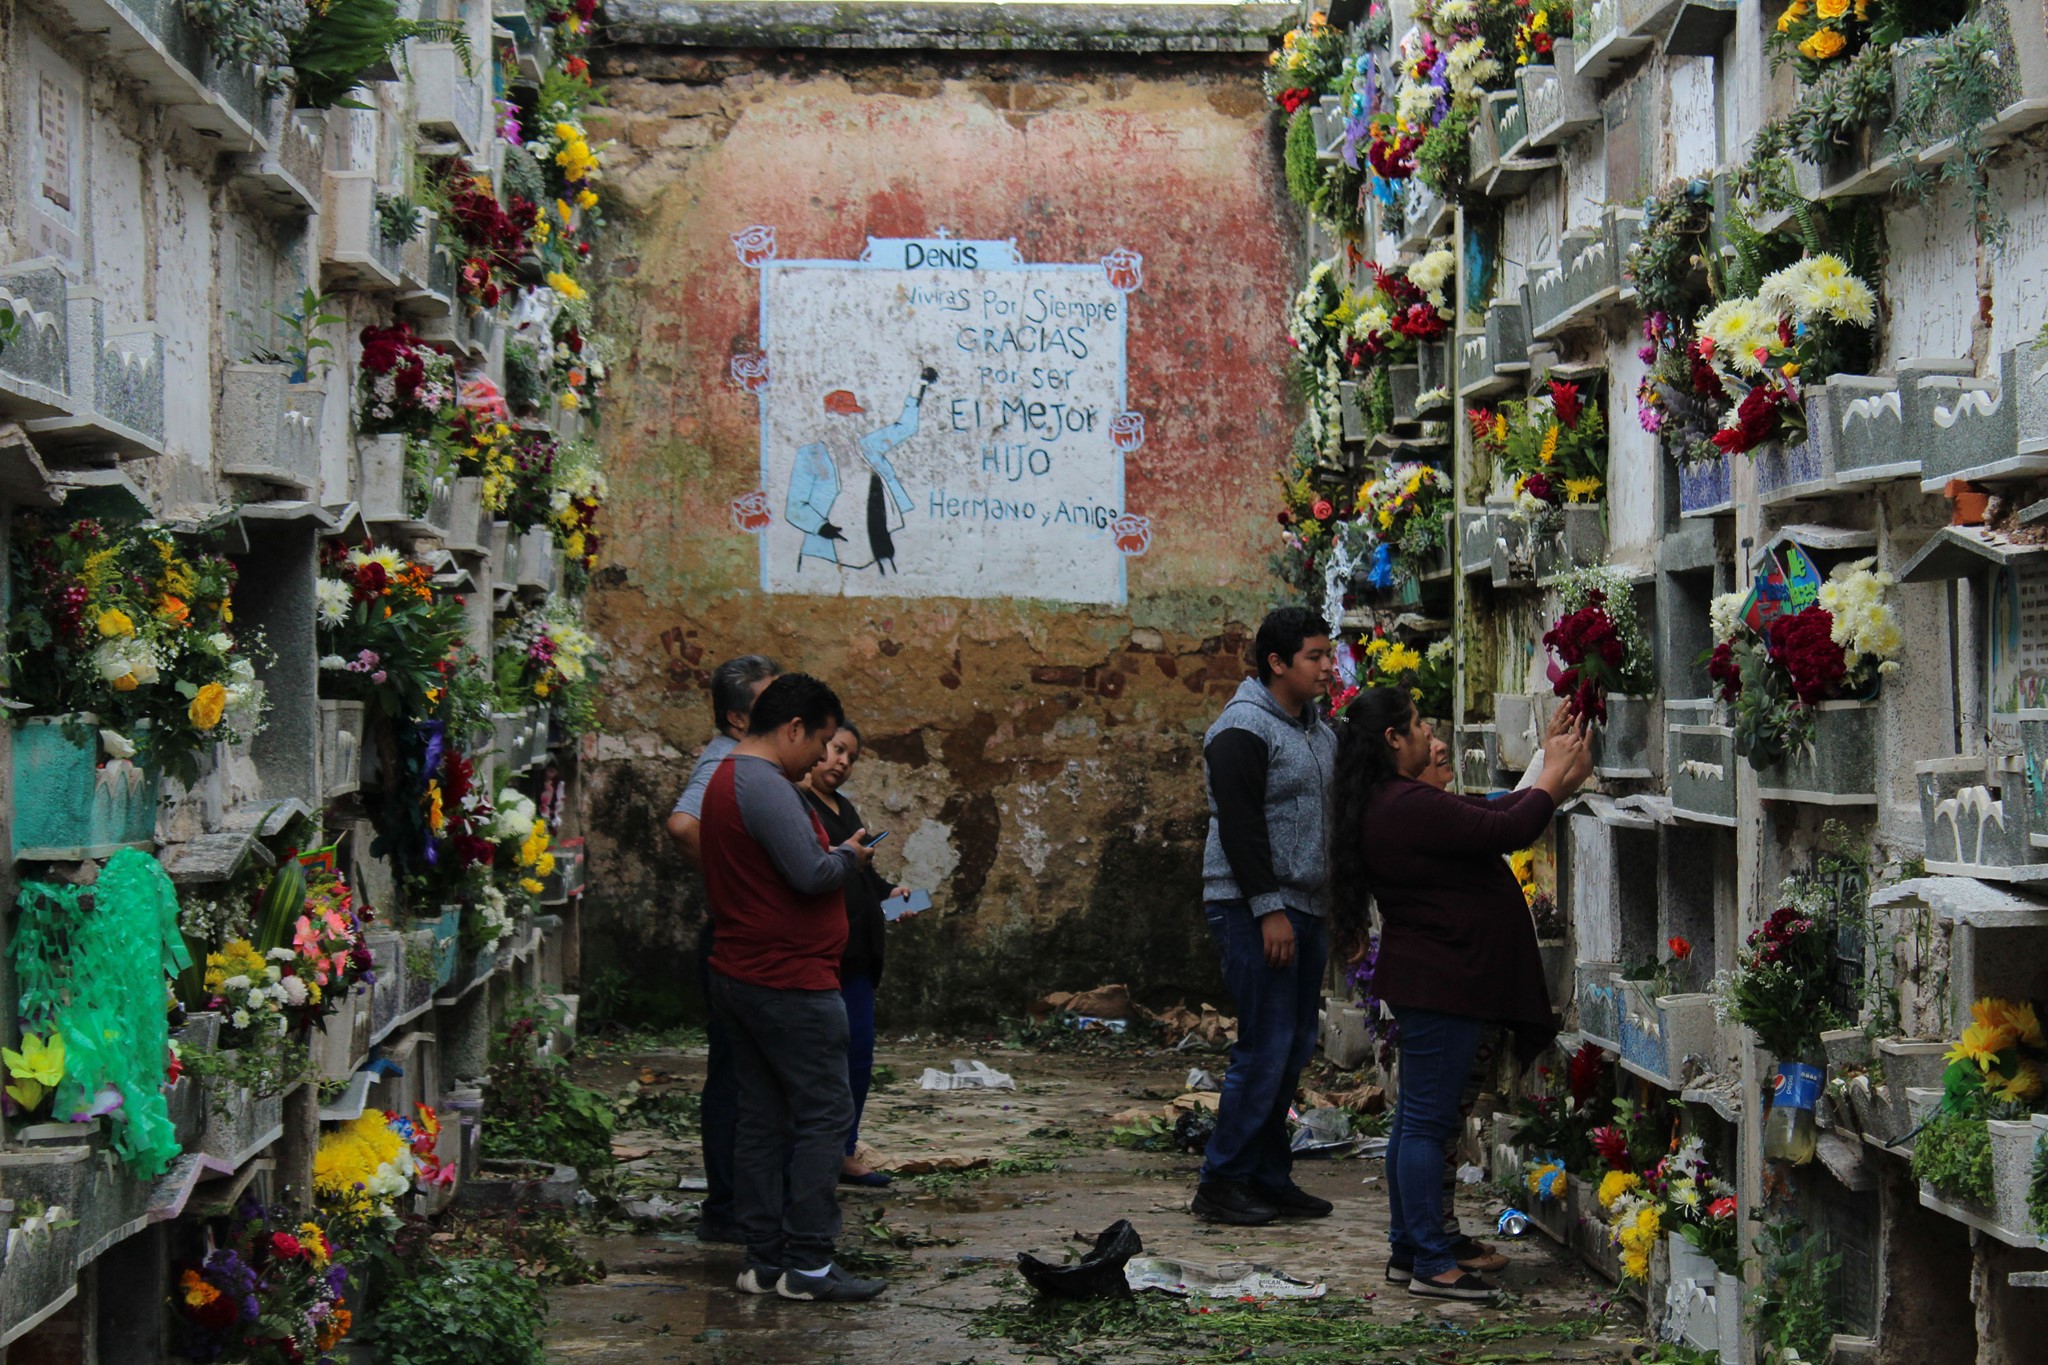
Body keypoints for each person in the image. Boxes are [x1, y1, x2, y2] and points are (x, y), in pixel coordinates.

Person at [1332, 690, 1591, 1300]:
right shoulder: (1403, 803)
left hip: (1437, 980)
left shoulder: (1394, 802)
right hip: (1445, 982)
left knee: (1416, 1124)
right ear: (1395, 739)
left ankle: (1411, 1249)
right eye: (1419, 724)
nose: (1430, 734)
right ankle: (1428, 1261)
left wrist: (1546, 766)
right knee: (1424, 1125)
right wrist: (1552, 776)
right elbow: (1510, 826)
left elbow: (1487, 815)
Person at [700, 672, 884, 1302]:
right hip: (787, 979)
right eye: (823, 741)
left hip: (744, 969)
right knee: (823, 1116)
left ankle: (764, 1260)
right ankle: (807, 1262)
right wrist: (848, 859)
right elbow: (809, 873)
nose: (822, 757)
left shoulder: (727, 776)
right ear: (795, 728)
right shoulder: (764, 784)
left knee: (762, 1117)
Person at [1192, 605, 1338, 1227]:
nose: (1329, 667)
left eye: (1328, 655)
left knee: (1294, 1045)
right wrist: (1267, 909)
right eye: (1315, 657)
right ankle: (1221, 1181)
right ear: (1277, 664)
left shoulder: (1316, 728)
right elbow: (1243, 827)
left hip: (1307, 906)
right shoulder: (1241, 730)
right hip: (1255, 909)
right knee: (1264, 1045)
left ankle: (1267, 1175)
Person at [665, 654, 778, 1244]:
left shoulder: (752, 756)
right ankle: (730, 1206)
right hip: (736, 937)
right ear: (737, 718)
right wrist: (741, 876)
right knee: (735, 1075)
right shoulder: (727, 759)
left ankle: (740, 1202)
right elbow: (683, 826)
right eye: (769, 701)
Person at [799, 722, 907, 1187]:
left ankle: (844, 1150)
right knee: (815, 1062)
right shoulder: (794, 806)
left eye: (851, 757)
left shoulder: (843, 807)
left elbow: (864, 877)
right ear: (814, 748)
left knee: (857, 1058)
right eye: (837, 750)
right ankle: (809, 1155)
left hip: (859, 959)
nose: (842, 762)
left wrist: (895, 895)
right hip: (819, 957)